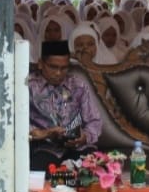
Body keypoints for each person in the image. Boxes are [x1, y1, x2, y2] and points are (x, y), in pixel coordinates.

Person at [28, 41, 102, 171]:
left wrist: (84, 137)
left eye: (64, 68)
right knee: (41, 171)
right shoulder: (28, 87)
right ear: (41, 64)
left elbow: (94, 121)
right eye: (53, 67)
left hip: (76, 147)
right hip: (44, 147)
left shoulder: (78, 85)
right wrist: (45, 133)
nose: (58, 73)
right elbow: (15, 122)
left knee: (94, 169)